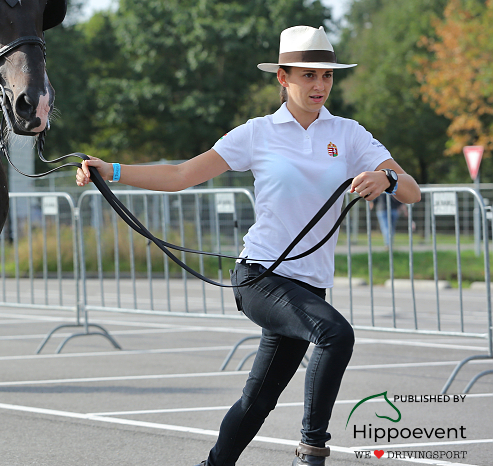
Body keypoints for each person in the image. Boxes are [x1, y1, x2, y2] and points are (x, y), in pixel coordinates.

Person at [76, 25, 421, 466]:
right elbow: (182, 175)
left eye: (327, 76)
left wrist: (388, 179)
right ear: (283, 78)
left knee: (257, 401)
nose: (319, 85)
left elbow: (411, 190)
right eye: (307, 75)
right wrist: (114, 170)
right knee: (336, 335)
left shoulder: (349, 134)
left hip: (309, 286)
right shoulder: (258, 133)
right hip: (260, 277)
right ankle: (312, 449)